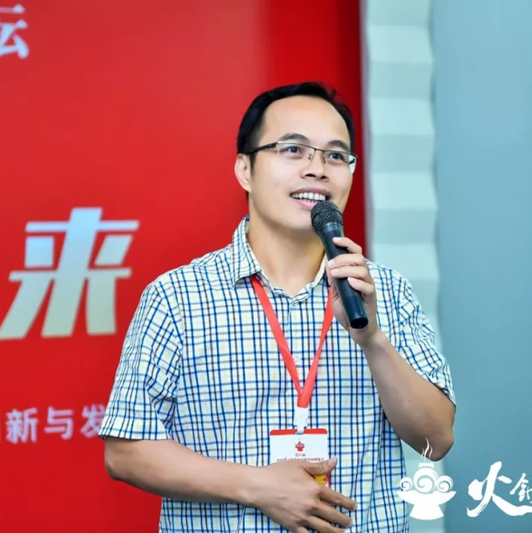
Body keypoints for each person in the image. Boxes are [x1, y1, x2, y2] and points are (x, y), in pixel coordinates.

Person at [98, 81, 456, 533]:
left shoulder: (385, 290)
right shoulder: (178, 297)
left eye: (335, 156)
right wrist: (260, 487)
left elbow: (435, 440)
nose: (317, 169)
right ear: (245, 170)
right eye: (293, 150)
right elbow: (126, 452)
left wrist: (373, 340)